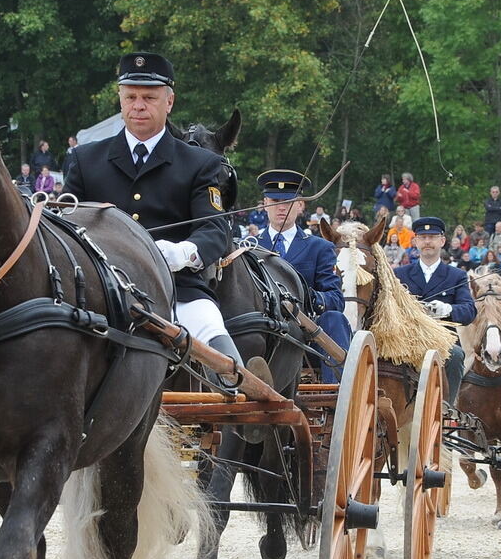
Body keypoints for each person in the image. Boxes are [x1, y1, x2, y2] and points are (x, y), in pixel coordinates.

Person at [62, 51, 241, 381]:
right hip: (99, 293)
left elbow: (215, 230)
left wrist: (180, 252)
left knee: (228, 366)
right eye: (130, 97)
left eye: (149, 97)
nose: (138, 105)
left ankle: (241, 411)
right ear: (120, 100)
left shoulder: (200, 163)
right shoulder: (85, 160)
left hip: (179, 292)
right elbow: (64, 225)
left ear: (169, 102)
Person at [256, 170, 349, 383]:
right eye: (275, 200)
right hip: (259, 329)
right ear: (264, 203)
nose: (281, 207)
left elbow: (335, 299)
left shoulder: (320, 247)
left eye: (288, 201)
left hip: (305, 333)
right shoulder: (248, 247)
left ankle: (336, 395)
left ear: (300, 205)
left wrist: (306, 297)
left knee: (334, 318)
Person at [393, 216, 475, 405]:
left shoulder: (457, 276)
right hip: (406, 340)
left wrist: (447, 309)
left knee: (455, 355)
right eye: (422, 237)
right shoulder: (399, 274)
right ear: (415, 241)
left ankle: (446, 407)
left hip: (442, 340)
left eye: (432, 237)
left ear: (442, 241)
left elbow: (469, 311)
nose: (427, 241)